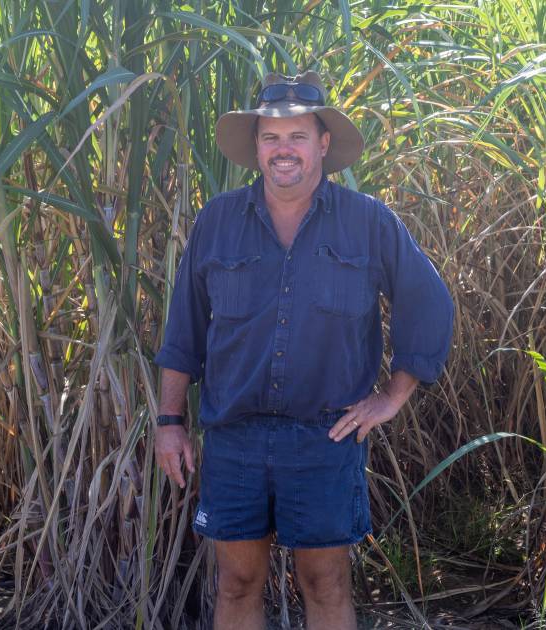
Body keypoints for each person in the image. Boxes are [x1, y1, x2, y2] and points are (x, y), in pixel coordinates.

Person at [153, 71, 454, 630]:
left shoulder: (369, 222)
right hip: (234, 439)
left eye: (297, 136)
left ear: (322, 144)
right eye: (271, 137)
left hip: (325, 438)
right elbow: (183, 332)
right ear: (256, 149)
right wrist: (170, 420)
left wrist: (392, 396)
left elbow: (429, 302)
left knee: (325, 583)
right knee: (238, 585)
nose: (283, 150)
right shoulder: (216, 223)